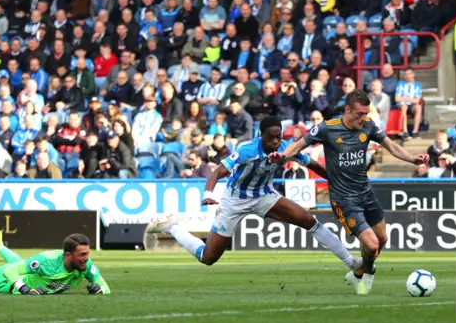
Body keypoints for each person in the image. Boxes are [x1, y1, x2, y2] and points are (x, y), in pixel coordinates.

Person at [146, 116, 363, 276]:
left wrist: (336, 180)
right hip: (235, 200)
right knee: (208, 258)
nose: (276, 142)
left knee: (309, 220)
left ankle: (353, 263)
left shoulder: (287, 148)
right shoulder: (247, 150)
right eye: (272, 138)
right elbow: (217, 172)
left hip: (264, 196)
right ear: (262, 136)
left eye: (279, 137)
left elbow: (313, 164)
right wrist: (209, 194)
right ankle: (172, 226)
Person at [270, 90, 429, 294]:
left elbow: (391, 146)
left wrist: (412, 159)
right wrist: (282, 157)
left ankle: (358, 272)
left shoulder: (369, 126)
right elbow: (298, 145)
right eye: (360, 114)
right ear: (347, 110)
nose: (364, 118)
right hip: (344, 200)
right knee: (371, 246)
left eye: (366, 113)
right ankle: (367, 272)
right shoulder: (327, 128)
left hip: (366, 192)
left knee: (382, 240)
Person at [0, 196, 109, 295]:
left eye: (87, 254)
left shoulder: (86, 266)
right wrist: (24, 289)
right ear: (68, 255)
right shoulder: (46, 261)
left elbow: (105, 286)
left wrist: (100, 289)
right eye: (82, 255)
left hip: (19, 275)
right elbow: (10, 270)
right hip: (4, 282)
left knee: (25, 264)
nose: (86, 259)